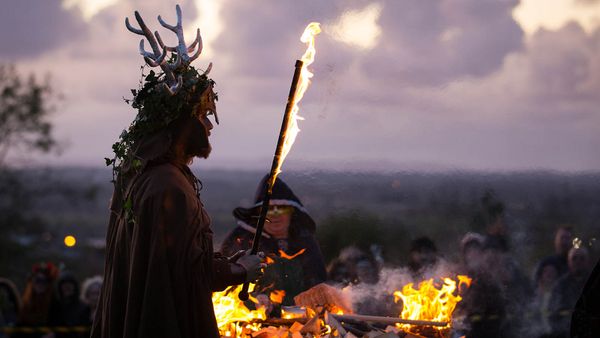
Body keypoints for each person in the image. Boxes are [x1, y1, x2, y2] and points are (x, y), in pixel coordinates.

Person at [91, 6, 264, 338]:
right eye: (203, 115)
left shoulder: (138, 176)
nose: (210, 125)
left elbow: (170, 262)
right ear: (182, 124)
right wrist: (242, 270)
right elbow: (186, 276)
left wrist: (224, 263)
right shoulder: (167, 187)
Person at [220, 175, 327, 310]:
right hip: (254, 320)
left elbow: (317, 279)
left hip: (303, 318)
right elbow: (225, 285)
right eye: (268, 209)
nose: (275, 214)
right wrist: (254, 298)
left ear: (291, 211)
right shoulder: (241, 239)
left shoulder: (304, 240)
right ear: (259, 213)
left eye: (282, 208)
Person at [548, 246, 591, 337]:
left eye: (582, 258)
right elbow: (553, 315)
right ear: (569, 262)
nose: (578, 262)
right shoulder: (560, 286)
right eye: (574, 258)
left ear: (587, 261)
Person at [15, 262, 59, 338]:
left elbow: (59, 327)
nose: (40, 284)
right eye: (37, 280)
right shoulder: (25, 301)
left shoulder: (54, 302)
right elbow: (19, 327)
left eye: (44, 281)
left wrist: (54, 334)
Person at [48, 272, 90, 338]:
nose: (67, 287)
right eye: (64, 285)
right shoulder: (55, 307)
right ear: (60, 287)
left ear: (74, 287)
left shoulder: (84, 308)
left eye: (70, 284)